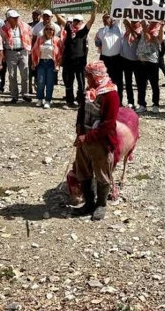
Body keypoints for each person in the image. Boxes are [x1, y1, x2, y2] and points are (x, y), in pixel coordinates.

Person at [72, 61, 121, 221]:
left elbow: (108, 124)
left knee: (101, 173)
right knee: (83, 170)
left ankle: (101, 204)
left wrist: (88, 137)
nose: (86, 78)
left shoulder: (111, 94)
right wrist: (79, 128)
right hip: (84, 138)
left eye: (88, 75)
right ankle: (88, 202)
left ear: (95, 76)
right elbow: (82, 110)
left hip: (100, 141)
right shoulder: (90, 91)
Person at [56, 8, 97, 108]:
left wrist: (94, 8)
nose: (76, 23)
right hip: (69, 61)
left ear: (81, 22)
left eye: (78, 21)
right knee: (69, 82)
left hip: (80, 61)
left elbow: (92, 20)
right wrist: (55, 7)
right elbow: (59, 18)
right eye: (75, 21)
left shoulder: (83, 31)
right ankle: (69, 102)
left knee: (81, 83)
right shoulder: (69, 29)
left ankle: (81, 101)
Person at [0, 9, 33, 103]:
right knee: (12, 75)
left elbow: (31, 36)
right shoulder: (3, 29)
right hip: (10, 52)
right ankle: (14, 96)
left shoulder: (25, 26)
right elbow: (0, 42)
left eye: (16, 17)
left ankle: (25, 94)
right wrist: (3, 55)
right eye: (13, 18)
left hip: (23, 51)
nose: (16, 19)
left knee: (25, 74)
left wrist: (28, 47)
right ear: (8, 19)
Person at [135, 21, 165, 113]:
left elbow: (150, 39)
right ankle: (142, 104)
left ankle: (155, 104)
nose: (152, 22)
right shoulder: (144, 28)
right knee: (141, 84)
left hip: (152, 61)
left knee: (154, 84)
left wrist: (144, 27)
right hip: (141, 60)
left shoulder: (158, 30)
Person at [31, 24, 63, 108]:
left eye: (51, 29)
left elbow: (60, 54)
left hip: (51, 63)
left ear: (53, 31)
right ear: (44, 30)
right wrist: (33, 63)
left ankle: (48, 100)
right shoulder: (40, 39)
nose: (49, 31)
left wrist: (58, 65)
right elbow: (34, 50)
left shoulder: (57, 40)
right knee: (40, 82)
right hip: (41, 62)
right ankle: (39, 99)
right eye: (47, 29)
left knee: (49, 83)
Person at [95, 13, 124, 96]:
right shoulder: (101, 31)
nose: (106, 20)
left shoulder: (118, 29)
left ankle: (119, 99)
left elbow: (119, 17)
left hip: (117, 58)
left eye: (107, 18)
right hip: (105, 58)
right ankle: (107, 97)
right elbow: (97, 43)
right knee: (105, 79)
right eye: (104, 19)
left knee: (118, 80)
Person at [120, 21, 142, 108]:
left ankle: (140, 102)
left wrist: (130, 26)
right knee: (128, 82)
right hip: (126, 60)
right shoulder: (127, 32)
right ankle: (130, 101)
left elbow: (137, 37)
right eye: (132, 22)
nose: (133, 23)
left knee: (139, 82)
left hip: (136, 61)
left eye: (135, 22)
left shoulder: (140, 30)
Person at [27, 10, 42, 94]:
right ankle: (29, 88)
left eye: (37, 15)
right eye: (34, 15)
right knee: (29, 69)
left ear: (40, 16)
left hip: (40, 51)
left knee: (38, 69)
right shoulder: (28, 25)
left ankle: (37, 87)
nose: (35, 17)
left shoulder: (42, 26)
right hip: (30, 50)